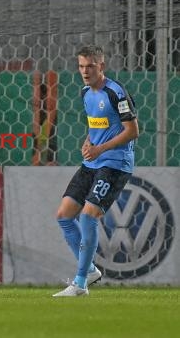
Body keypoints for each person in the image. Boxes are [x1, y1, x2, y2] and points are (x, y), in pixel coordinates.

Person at [53, 45, 139, 297]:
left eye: (90, 66)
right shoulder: (84, 93)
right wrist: (88, 141)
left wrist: (100, 149)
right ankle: (90, 270)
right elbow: (96, 124)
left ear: (101, 66)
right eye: (81, 66)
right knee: (64, 215)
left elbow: (132, 131)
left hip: (114, 164)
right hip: (92, 162)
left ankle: (80, 283)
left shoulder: (116, 93)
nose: (85, 71)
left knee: (88, 216)